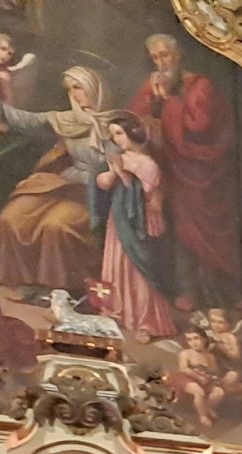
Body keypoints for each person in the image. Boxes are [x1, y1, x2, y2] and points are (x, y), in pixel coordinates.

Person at [128, 32, 242, 310]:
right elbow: (133, 120)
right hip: (169, 173)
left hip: (201, 174)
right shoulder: (154, 85)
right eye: (155, 57)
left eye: (165, 55)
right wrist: (151, 109)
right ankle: (184, 291)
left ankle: (221, 296)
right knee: (176, 231)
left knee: (202, 234)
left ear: (178, 56)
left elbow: (199, 127)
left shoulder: (200, 86)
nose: (161, 62)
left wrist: (167, 101)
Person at [0, 67, 110, 295]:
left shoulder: (115, 123)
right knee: (11, 218)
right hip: (65, 181)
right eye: (69, 89)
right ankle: (25, 281)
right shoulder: (66, 119)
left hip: (97, 191)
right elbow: (26, 119)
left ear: (93, 87)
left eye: (78, 87)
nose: (74, 94)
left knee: (55, 226)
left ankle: (58, 289)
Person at [90, 114, 174, 342]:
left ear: (133, 133)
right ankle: (117, 312)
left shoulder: (148, 164)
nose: (116, 139)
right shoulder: (119, 158)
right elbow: (103, 184)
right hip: (118, 221)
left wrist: (122, 173)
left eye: (119, 133)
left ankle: (146, 322)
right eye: (113, 135)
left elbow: (143, 194)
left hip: (139, 223)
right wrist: (112, 172)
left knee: (138, 270)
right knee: (116, 266)